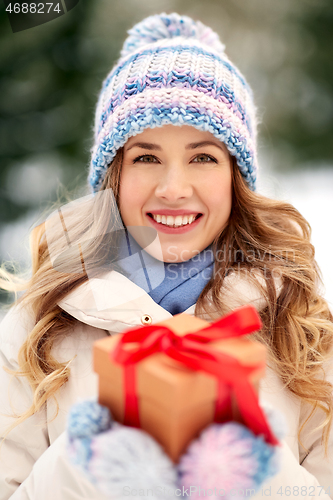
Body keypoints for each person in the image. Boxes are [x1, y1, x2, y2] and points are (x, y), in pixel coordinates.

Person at [0, 12, 332, 500]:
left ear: (236, 178)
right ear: (113, 175)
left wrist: (241, 450)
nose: (174, 189)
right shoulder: (39, 327)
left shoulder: (299, 324)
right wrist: (95, 451)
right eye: (146, 157)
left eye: (203, 157)